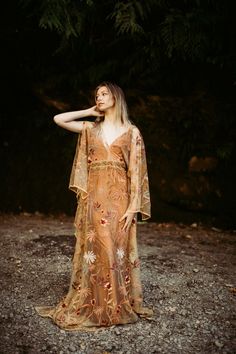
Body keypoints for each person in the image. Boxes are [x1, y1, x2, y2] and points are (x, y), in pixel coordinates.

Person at [35, 82, 152, 331]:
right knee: (99, 248)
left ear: (116, 97)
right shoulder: (90, 128)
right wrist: (89, 110)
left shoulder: (132, 132)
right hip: (95, 198)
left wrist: (133, 207)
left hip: (119, 198)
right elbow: (59, 118)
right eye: (96, 94)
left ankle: (114, 304)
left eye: (104, 93)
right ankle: (99, 307)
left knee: (116, 249)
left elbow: (136, 171)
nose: (99, 96)